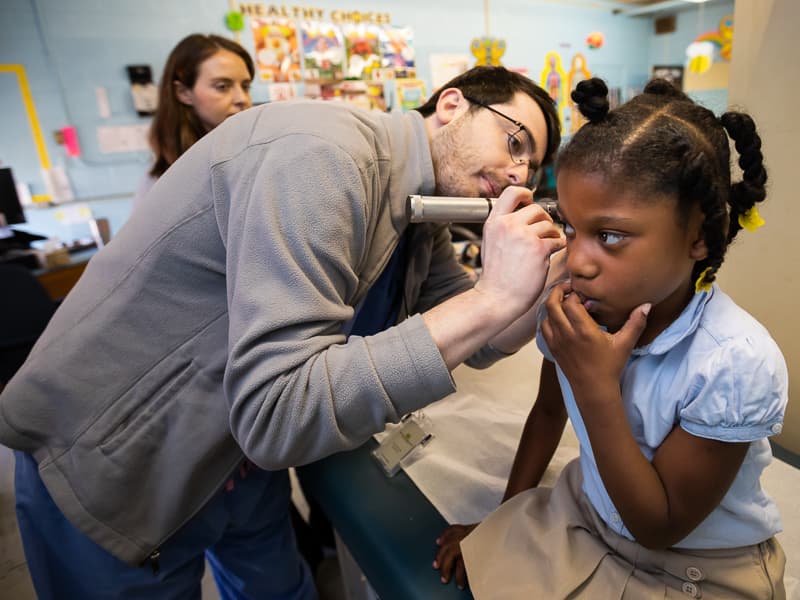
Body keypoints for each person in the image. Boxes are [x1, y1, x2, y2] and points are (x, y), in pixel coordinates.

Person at [0, 65, 564, 599]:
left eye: (532, 167)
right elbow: (277, 412)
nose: (519, 174)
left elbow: (483, 340)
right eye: (516, 142)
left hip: (234, 458)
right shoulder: (323, 155)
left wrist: (531, 287)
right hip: (123, 456)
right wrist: (492, 298)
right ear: (451, 104)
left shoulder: (419, 213)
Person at [433, 78, 788, 598]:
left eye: (611, 236)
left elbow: (659, 526)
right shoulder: (579, 312)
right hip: (592, 513)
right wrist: (500, 520)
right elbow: (549, 412)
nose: (576, 261)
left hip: (696, 560)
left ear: (700, 237)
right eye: (572, 228)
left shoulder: (733, 362)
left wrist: (597, 384)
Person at [133, 33, 254, 204]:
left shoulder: (250, 152)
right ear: (183, 93)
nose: (242, 98)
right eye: (222, 86)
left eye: (245, 86)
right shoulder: (164, 181)